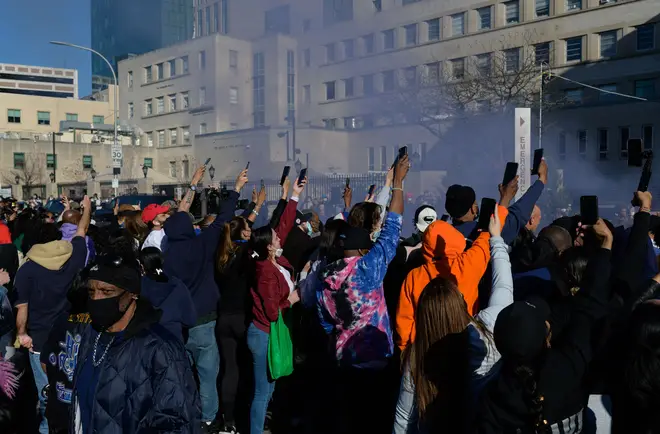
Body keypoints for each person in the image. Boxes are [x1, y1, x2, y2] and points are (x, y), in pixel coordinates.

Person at [476, 219, 614, 434]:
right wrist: (605, 247)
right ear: (546, 338)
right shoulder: (569, 368)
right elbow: (590, 309)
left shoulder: (493, 399)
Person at [393, 208, 513, 434]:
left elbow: (404, 322)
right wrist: (501, 210)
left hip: (424, 354)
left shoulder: (413, 277)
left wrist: (407, 354)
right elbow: (500, 278)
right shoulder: (484, 341)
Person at [316, 155, 409, 434]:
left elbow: (325, 324)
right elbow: (393, 226)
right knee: (376, 420)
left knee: (351, 420)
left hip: (345, 360)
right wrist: (399, 184)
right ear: (363, 249)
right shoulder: (368, 269)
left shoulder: (325, 279)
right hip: (377, 359)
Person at [70, 251, 200, 433]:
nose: (96, 299)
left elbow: (178, 421)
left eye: (107, 291)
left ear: (133, 294)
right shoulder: (90, 334)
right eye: (91, 291)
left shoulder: (159, 348)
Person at [164, 166, 247, 432]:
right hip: (205, 320)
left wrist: (192, 185)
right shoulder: (201, 244)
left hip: (178, 322)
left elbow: (178, 219)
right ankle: (209, 418)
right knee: (208, 374)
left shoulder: (166, 253)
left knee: (186, 375)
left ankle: (187, 412)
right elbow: (223, 219)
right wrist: (235, 190)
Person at [14, 196, 91, 434]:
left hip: (39, 339)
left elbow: (22, 308)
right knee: (72, 388)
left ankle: (50, 429)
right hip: (71, 336)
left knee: (47, 393)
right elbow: (82, 229)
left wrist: (22, 334)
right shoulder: (73, 256)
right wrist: (87, 208)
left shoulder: (27, 268)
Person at [248, 176, 306, 434]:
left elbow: (283, 225)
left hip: (273, 332)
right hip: (264, 333)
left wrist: (294, 195)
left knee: (271, 385)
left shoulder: (271, 260)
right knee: (262, 391)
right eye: (276, 238)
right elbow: (272, 311)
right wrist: (291, 300)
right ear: (269, 247)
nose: (281, 238)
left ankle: (264, 426)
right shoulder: (265, 273)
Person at [215, 216, 256, 434]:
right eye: (247, 228)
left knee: (229, 369)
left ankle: (227, 419)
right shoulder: (245, 255)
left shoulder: (221, 254)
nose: (250, 232)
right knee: (247, 367)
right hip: (241, 315)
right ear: (241, 232)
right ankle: (243, 414)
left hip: (224, 317)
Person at [139, 247, 196, 342]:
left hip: (148, 344)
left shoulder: (138, 288)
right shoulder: (176, 284)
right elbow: (190, 319)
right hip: (174, 340)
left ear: (142, 266)